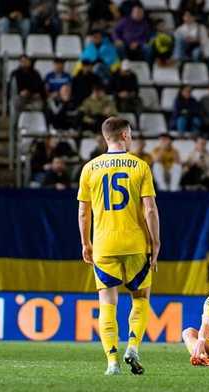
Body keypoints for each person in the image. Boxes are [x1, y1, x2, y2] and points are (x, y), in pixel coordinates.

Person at [77, 116, 160, 376]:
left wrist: (85, 243)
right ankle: (133, 346)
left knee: (107, 304)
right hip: (136, 244)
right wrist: (155, 242)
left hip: (104, 245)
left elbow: (82, 212)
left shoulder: (90, 168)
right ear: (124, 136)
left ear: (105, 137)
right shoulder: (140, 166)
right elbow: (150, 209)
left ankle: (112, 362)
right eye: (131, 133)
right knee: (140, 298)